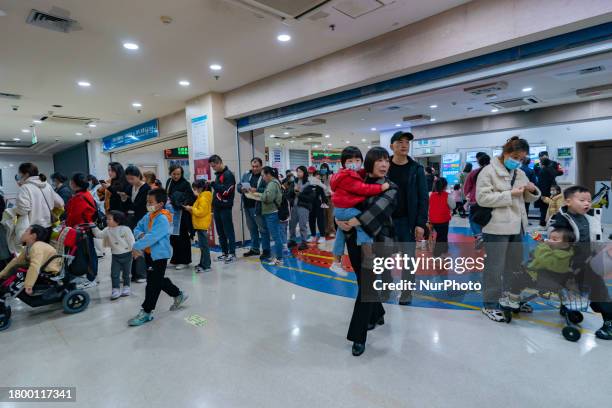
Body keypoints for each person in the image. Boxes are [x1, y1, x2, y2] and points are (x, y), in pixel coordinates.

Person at [336, 147, 398, 356]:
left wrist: (354, 221)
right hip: (354, 241)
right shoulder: (356, 181)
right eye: (379, 160)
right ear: (369, 163)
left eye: (386, 160)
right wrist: (339, 219)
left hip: (377, 244)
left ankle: (357, 336)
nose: (384, 164)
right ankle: (377, 312)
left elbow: (377, 211)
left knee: (366, 288)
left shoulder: (390, 187)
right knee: (364, 283)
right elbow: (341, 200)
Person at [476, 136, 540, 322]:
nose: (518, 161)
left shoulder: (519, 173)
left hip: (518, 226)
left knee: (515, 267)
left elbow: (528, 198)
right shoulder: (488, 171)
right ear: (505, 153)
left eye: (522, 159)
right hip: (496, 227)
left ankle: (511, 299)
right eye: (515, 157)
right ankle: (490, 304)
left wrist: (533, 190)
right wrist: (509, 194)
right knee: (494, 268)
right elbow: (483, 198)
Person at [548, 185, 611, 339]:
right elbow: (555, 238)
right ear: (568, 201)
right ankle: (568, 308)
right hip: (569, 262)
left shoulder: (589, 216)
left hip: (590, 262)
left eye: (589, 201)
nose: (587, 203)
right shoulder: (560, 219)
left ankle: (609, 321)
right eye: (582, 200)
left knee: (597, 292)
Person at [128, 188, 188, 326]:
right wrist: (140, 236)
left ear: (160, 204)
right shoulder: (149, 215)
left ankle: (147, 311)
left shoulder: (162, 219)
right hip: (149, 254)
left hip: (159, 255)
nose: (148, 204)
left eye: (151, 202)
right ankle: (178, 294)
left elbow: (153, 236)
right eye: (147, 201)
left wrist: (136, 245)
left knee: (152, 285)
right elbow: (137, 228)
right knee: (157, 279)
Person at [329, 146, 389, 275]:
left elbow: (361, 173)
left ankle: (336, 262)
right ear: (343, 163)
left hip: (341, 210)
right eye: (349, 161)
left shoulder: (344, 174)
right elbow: (363, 189)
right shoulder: (347, 177)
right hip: (346, 210)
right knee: (362, 221)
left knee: (341, 235)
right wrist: (380, 188)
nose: (354, 163)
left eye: (357, 160)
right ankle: (368, 255)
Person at [387, 131, 428, 305]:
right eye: (400, 142)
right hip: (385, 221)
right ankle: (386, 286)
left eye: (407, 142)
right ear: (391, 146)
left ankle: (406, 292)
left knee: (408, 260)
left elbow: (423, 197)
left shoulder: (416, 169)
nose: (404, 145)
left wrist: (420, 223)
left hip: (407, 221)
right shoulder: (383, 165)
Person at [0, 226, 61, 313]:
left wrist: (29, 286)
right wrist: (2, 275)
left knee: (19, 274)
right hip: (42, 270)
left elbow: (34, 266)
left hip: (49, 273)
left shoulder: (37, 247)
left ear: (33, 235)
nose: (23, 233)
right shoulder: (29, 247)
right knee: (16, 268)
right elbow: (16, 261)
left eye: (26, 231)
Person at [65, 173, 99, 286]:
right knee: (89, 253)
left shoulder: (79, 197)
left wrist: (67, 225)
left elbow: (73, 216)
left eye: (71, 181)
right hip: (86, 229)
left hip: (82, 231)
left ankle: (91, 278)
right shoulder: (86, 194)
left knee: (87, 254)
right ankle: (90, 276)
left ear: (74, 183)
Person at [92, 211, 135, 300]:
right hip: (115, 256)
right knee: (114, 274)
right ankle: (115, 289)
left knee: (126, 273)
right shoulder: (107, 230)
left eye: (109, 219)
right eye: (107, 219)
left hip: (127, 255)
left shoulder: (125, 229)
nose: (107, 221)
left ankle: (126, 287)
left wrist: (135, 251)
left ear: (117, 220)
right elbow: (98, 235)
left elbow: (132, 241)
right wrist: (93, 226)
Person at [15, 163, 64, 240]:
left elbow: (23, 211)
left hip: (33, 229)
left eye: (20, 173)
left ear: (26, 174)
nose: (19, 175)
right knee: (45, 250)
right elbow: (60, 203)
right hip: (48, 226)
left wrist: (15, 210)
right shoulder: (47, 185)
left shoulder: (25, 188)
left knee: (35, 251)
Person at [120, 166, 151, 282]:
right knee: (131, 246)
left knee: (141, 245)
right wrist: (124, 199)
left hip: (142, 220)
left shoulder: (146, 188)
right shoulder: (129, 187)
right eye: (128, 179)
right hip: (131, 220)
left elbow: (141, 206)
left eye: (132, 178)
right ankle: (134, 273)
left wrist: (128, 203)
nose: (130, 181)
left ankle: (142, 274)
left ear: (138, 176)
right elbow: (126, 206)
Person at [165, 164, 196, 269]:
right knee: (173, 237)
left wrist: (182, 203)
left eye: (178, 174)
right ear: (170, 173)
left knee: (182, 237)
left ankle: (184, 260)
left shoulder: (185, 184)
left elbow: (191, 197)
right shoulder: (169, 182)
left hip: (182, 214)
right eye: (174, 174)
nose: (176, 176)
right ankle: (175, 259)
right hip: (171, 213)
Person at [209, 155, 237, 263]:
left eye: (214, 166)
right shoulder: (218, 175)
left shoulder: (228, 175)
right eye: (211, 167)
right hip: (217, 207)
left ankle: (232, 253)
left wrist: (213, 184)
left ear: (220, 162)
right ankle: (225, 253)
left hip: (225, 207)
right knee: (220, 232)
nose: (213, 168)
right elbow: (218, 190)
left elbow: (226, 191)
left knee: (228, 231)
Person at [184, 179, 212, 273]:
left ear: (200, 188)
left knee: (204, 246)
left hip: (202, 225)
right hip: (200, 224)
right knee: (202, 246)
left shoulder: (203, 198)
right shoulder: (202, 196)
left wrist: (190, 209)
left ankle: (206, 265)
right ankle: (202, 263)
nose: (194, 191)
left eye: (195, 189)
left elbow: (200, 212)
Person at [463, 153, 490, 248]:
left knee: (473, 219)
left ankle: (479, 236)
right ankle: (487, 236)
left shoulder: (474, 173)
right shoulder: (493, 172)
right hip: (491, 200)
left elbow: (467, 188)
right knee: (488, 220)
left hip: (476, 200)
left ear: (479, 162)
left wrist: (468, 198)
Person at [239, 158, 264, 257]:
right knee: (252, 228)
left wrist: (256, 189)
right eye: (253, 166)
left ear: (261, 166)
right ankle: (255, 248)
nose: (255, 168)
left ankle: (266, 250)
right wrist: (241, 189)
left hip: (258, 206)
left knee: (262, 229)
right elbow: (238, 185)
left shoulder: (264, 176)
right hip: (247, 205)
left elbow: (267, 188)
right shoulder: (246, 175)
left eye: (257, 166)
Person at [260, 166, 285, 265]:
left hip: (271, 213)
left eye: (263, 175)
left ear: (268, 174)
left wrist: (260, 195)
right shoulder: (276, 182)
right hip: (272, 212)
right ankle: (279, 257)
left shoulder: (272, 184)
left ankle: (279, 258)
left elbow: (268, 198)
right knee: (276, 235)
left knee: (276, 237)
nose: (263, 178)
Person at [287, 166, 313, 251]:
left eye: (300, 171)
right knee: (292, 225)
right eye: (297, 171)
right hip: (294, 206)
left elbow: (310, 198)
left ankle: (304, 242)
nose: (298, 173)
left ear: (304, 173)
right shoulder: (294, 182)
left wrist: (299, 193)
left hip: (303, 207)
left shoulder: (309, 183)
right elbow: (289, 194)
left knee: (302, 225)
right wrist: (292, 194)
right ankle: (292, 240)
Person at [535, 151, 564, 227]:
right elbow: (535, 171)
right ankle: (544, 222)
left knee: (554, 204)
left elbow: (561, 172)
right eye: (540, 157)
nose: (541, 159)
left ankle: (550, 222)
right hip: (542, 185)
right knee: (543, 206)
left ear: (547, 156)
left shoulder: (555, 163)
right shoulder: (537, 163)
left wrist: (552, 172)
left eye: (543, 157)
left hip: (551, 186)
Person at [429, 177, 456, 257]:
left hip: (432, 219)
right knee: (442, 237)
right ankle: (437, 254)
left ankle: (444, 249)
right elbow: (453, 206)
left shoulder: (430, 194)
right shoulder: (447, 196)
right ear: (445, 186)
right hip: (443, 220)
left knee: (441, 236)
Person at [307, 170, 329, 244]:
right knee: (311, 220)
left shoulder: (321, 184)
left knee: (320, 220)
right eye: (317, 175)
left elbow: (323, 195)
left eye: (320, 175)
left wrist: (324, 202)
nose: (319, 176)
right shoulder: (309, 183)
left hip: (319, 204)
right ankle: (313, 235)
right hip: (310, 204)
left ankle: (322, 236)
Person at [319, 163, 336, 238]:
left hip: (329, 197)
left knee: (330, 215)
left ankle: (332, 231)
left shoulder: (330, 176)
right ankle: (326, 230)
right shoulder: (320, 176)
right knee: (324, 215)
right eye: (322, 168)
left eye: (325, 168)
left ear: (327, 168)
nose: (323, 169)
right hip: (322, 198)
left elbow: (332, 186)